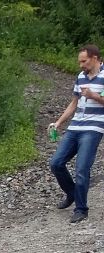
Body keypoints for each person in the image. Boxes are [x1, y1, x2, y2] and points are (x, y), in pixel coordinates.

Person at [49, 44, 104, 224]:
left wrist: (95, 96)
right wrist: (58, 122)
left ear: (94, 58)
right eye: (79, 62)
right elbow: (74, 103)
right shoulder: (81, 77)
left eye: (84, 61)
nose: (81, 65)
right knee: (56, 163)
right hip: (75, 127)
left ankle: (81, 209)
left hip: (93, 128)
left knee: (81, 169)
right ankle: (72, 193)